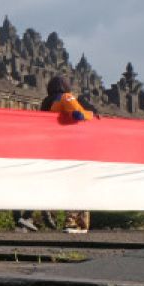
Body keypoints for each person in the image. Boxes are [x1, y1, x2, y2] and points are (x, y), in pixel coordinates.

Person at [41, 76, 94, 233]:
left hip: (54, 149)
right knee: (78, 184)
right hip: (72, 148)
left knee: (65, 184)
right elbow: (79, 114)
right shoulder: (66, 97)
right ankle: (74, 222)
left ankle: (51, 210)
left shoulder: (46, 103)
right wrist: (92, 115)